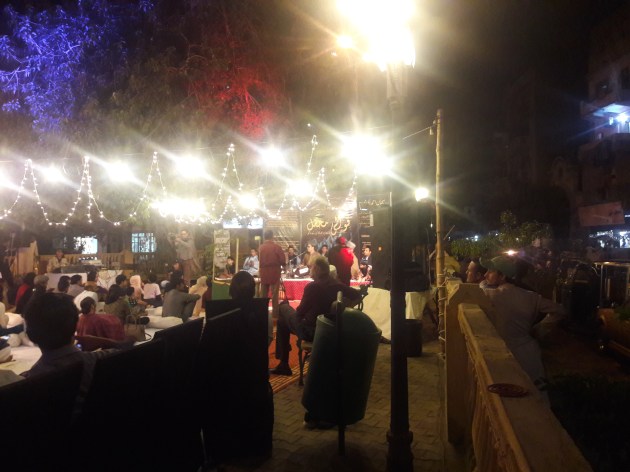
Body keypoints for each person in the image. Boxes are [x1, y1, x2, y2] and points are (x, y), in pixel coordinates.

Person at [479, 256, 566, 392]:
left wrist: (484, 283)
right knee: (536, 396)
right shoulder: (530, 296)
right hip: (528, 353)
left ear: (502, 276)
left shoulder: (489, 294)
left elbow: (481, 286)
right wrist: (540, 328)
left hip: (501, 353)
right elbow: (560, 310)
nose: (485, 275)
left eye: (490, 271)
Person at [21, 293, 118, 408]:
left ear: (31, 335)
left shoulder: (27, 383)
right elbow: (129, 346)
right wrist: (105, 341)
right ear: (75, 325)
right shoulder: (102, 359)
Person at [270, 257, 361, 376]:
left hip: (311, 331)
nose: (310, 270)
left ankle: (283, 363)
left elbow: (300, 312)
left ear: (317, 269)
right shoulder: (338, 285)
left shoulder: (313, 287)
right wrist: (343, 306)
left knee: (283, 308)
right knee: (282, 322)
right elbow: (358, 296)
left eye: (311, 267)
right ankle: (283, 363)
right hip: (330, 329)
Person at [259, 230, 285, 317]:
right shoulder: (277, 247)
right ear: (272, 236)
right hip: (274, 272)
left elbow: (259, 260)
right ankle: (275, 316)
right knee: (274, 296)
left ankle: (262, 314)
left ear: (264, 237)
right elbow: (283, 260)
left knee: (263, 295)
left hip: (264, 273)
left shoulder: (261, 248)